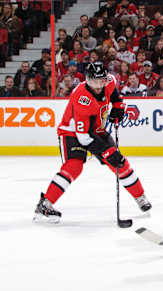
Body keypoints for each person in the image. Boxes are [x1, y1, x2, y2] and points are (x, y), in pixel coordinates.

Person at [33, 62, 152, 223]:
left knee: (120, 163)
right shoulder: (82, 98)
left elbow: (115, 96)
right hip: (73, 132)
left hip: (96, 129)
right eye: (94, 81)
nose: (98, 85)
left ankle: (140, 197)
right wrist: (108, 153)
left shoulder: (109, 81)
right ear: (87, 80)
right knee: (74, 166)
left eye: (101, 81)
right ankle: (45, 204)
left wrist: (118, 107)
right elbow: (84, 137)